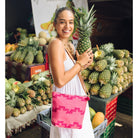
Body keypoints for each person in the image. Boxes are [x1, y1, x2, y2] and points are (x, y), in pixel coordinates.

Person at [48, 7, 94, 138]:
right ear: (55, 24)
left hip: (75, 103)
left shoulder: (67, 45)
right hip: (68, 105)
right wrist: (79, 63)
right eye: (62, 22)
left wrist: (81, 65)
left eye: (71, 22)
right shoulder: (55, 44)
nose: (67, 26)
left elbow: (69, 73)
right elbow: (60, 81)